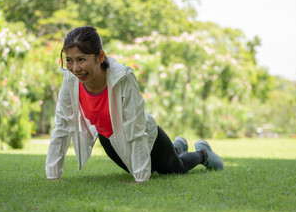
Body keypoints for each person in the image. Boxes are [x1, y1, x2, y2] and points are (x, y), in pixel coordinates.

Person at [45, 26, 224, 183]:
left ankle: (203, 154)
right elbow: (62, 126)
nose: (75, 68)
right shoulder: (70, 80)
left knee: (173, 170)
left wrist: (141, 179)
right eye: (69, 60)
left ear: (100, 56)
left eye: (81, 59)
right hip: (111, 141)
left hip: (145, 135)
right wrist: (53, 175)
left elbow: (137, 127)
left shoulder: (122, 77)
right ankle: (176, 147)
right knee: (146, 167)